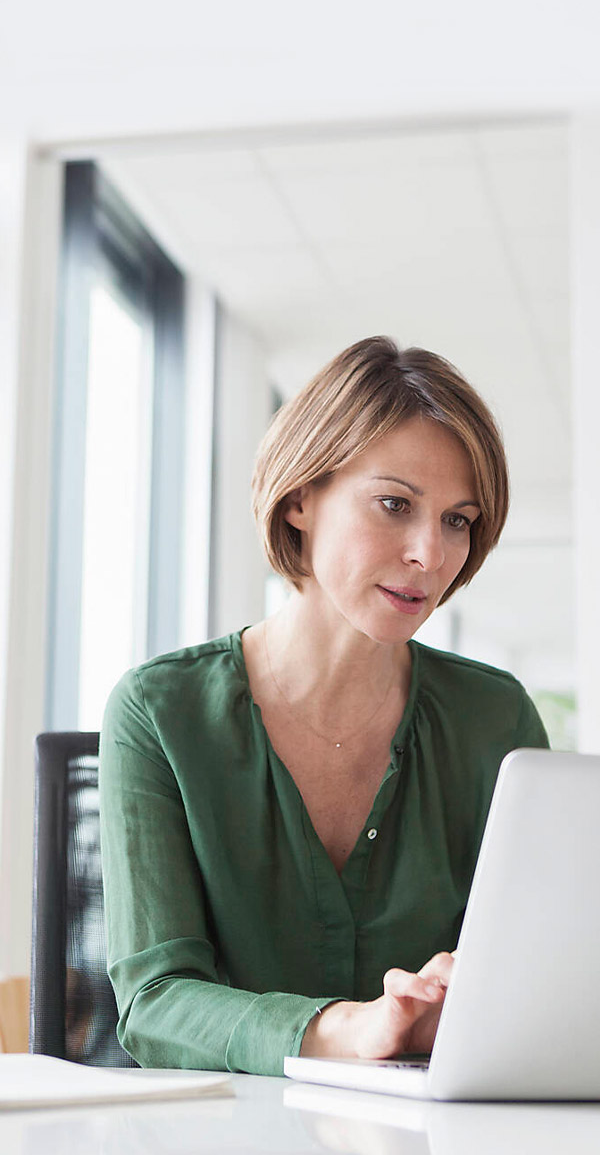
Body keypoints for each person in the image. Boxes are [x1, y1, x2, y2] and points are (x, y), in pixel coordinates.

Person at [99, 335, 549, 1075]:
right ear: (301, 497)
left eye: (457, 520)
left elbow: (534, 970)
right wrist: (351, 1030)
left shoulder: (494, 721)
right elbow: (156, 1001)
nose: (430, 556)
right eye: (395, 504)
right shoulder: (160, 712)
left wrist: (468, 996)